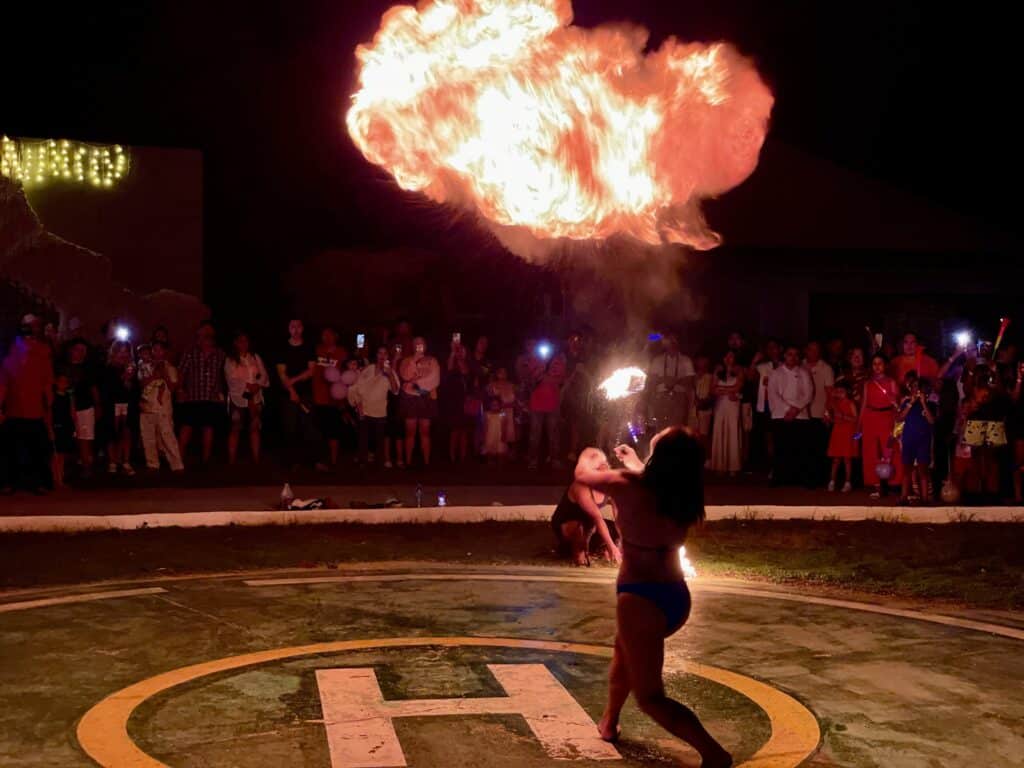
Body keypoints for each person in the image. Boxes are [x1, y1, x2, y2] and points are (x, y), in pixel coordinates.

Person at [574, 428, 731, 768]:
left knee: (650, 698)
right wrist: (634, 462)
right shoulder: (681, 491)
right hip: (675, 595)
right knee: (623, 649)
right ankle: (609, 722)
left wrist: (589, 455)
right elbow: (653, 478)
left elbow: (583, 477)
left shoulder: (626, 484)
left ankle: (714, 753)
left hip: (641, 599)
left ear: (659, 458)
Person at [0, 315, 54, 494]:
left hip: (35, 410)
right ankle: (10, 482)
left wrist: (49, 403)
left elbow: (46, 379)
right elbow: (4, 381)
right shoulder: (11, 352)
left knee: (37, 449)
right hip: (14, 409)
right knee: (11, 450)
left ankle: (38, 482)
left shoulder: (42, 351)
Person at [552, 448, 622, 566]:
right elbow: (597, 518)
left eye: (606, 465)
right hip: (568, 523)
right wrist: (611, 546)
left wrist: (621, 543)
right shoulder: (582, 486)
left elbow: (619, 516)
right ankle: (575, 550)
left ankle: (602, 549)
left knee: (621, 531)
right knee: (580, 530)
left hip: (590, 523)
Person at [276, 319, 323, 471]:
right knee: (290, 428)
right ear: (289, 329)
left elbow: (311, 371)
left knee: (310, 426)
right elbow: (281, 373)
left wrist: (294, 381)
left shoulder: (309, 347)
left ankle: (316, 461)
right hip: (288, 395)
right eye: (292, 326)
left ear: (302, 329)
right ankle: (293, 461)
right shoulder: (282, 347)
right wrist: (292, 391)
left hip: (306, 393)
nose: (295, 329)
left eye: (298, 326)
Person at [178, 321, 227, 465]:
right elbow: (181, 372)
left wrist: (221, 394)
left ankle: (206, 461)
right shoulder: (190, 352)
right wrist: (180, 390)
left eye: (209, 333)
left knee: (208, 429)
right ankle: (178, 461)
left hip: (210, 398)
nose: (207, 335)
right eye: (204, 332)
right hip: (192, 397)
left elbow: (226, 375)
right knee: (186, 428)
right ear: (198, 335)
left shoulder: (220, 354)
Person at [767, 345, 814, 487]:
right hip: (781, 415)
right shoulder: (776, 373)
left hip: (800, 415)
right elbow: (773, 393)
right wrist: (788, 409)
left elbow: (808, 393)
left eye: (795, 355)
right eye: (789, 354)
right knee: (781, 449)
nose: (792, 357)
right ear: (785, 356)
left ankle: (800, 479)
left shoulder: (804, 373)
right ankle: (780, 479)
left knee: (800, 449)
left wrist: (796, 409)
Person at [348, 346, 400, 467]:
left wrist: (390, 375)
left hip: (380, 411)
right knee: (363, 440)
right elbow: (357, 387)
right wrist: (358, 404)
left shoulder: (390, 371)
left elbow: (396, 391)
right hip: (364, 409)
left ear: (388, 356)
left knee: (379, 442)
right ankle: (362, 464)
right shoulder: (368, 369)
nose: (382, 356)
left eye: (385, 353)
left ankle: (379, 468)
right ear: (376, 355)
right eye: (379, 353)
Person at [860, 353, 902, 499]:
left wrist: (897, 422)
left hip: (887, 417)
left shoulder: (891, 382)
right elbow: (864, 403)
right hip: (870, 417)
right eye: (874, 364)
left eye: (880, 363)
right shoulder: (868, 384)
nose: (877, 367)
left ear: (885, 365)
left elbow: (897, 406)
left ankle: (893, 483)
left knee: (889, 449)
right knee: (870, 451)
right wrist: (860, 423)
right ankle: (876, 485)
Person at [138, 340, 185, 472]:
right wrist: (153, 376)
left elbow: (173, 387)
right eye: (154, 349)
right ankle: (152, 464)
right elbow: (141, 383)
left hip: (163, 407)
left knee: (167, 435)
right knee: (148, 436)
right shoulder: (144, 366)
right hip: (146, 406)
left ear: (165, 352)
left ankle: (177, 465)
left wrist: (164, 375)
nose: (157, 352)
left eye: (160, 350)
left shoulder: (170, 367)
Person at [224, 332, 269, 464]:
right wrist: (247, 387)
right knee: (236, 427)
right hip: (239, 398)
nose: (244, 344)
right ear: (235, 343)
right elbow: (232, 378)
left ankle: (256, 459)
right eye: (241, 341)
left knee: (255, 427)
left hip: (255, 397)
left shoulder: (255, 357)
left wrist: (257, 386)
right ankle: (231, 460)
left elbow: (263, 374)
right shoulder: (230, 360)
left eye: (246, 341)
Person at [399, 337, 441, 467]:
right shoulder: (406, 360)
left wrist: (415, 383)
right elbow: (405, 376)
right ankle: (408, 462)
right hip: (410, 399)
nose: (419, 345)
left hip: (426, 398)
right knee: (410, 431)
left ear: (425, 346)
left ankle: (427, 462)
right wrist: (413, 360)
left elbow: (435, 380)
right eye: (416, 343)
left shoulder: (432, 360)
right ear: (412, 346)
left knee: (425, 431)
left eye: (421, 343)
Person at [897, 372, 936, 504]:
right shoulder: (907, 402)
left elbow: (931, 421)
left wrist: (924, 403)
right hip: (909, 440)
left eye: (919, 388)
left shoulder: (931, 404)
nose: (917, 390)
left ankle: (924, 499)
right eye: (914, 387)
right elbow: (900, 418)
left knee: (923, 470)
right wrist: (910, 403)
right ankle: (903, 497)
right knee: (907, 470)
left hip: (923, 441)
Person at [100, 340, 137, 476]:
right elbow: (107, 389)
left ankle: (125, 461)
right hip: (112, 405)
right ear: (114, 352)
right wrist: (123, 378)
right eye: (120, 351)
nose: (123, 354)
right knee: (112, 433)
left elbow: (135, 390)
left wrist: (129, 381)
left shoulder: (132, 369)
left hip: (127, 405)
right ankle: (113, 461)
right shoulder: (108, 368)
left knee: (126, 433)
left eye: (126, 351)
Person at [526, 346, 567, 471]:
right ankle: (533, 460)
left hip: (552, 404)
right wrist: (541, 369)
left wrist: (546, 377)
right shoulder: (534, 361)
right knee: (535, 434)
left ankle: (554, 460)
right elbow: (531, 380)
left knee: (553, 434)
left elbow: (560, 380)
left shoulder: (558, 362)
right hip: (536, 404)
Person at [312, 327, 347, 468]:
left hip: (334, 399)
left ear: (335, 336)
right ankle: (321, 459)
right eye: (323, 335)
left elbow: (346, 374)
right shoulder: (316, 350)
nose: (326, 338)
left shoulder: (342, 353)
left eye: (329, 335)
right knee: (319, 430)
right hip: (317, 397)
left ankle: (333, 461)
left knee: (334, 431)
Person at [646, 333, 695, 433]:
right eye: (668, 342)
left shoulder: (686, 361)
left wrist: (675, 381)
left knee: (677, 429)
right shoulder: (657, 360)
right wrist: (664, 379)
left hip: (679, 398)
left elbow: (690, 380)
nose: (671, 344)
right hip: (661, 397)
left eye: (674, 341)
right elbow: (651, 381)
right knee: (661, 428)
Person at [66, 337, 99, 478]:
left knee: (85, 438)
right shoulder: (64, 367)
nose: (79, 353)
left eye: (82, 351)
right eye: (76, 350)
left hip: (85, 407)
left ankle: (87, 466)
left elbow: (94, 389)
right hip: (66, 408)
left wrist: (98, 405)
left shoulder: (88, 369)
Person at [804, 341, 835, 485]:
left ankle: (821, 478)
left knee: (820, 448)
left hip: (819, 413)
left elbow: (830, 393)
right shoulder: (800, 365)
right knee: (806, 448)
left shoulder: (826, 368)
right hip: (802, 414)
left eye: (816, 350)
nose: (813, 353)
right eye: (811, 349)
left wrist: (827, 412)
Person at [750, 338, 781, 472]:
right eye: (769, 348)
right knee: (769, 436)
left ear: (780, 349)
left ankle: (782, 465)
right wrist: (754, 361)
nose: (771, 350)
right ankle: (772, 466)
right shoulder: (763, 366)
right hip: (767, 406)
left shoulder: (786, 365)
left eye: (774, 347)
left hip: (782, 406)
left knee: (781, 437)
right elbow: (750, 377)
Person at [710, 350, 743, 475]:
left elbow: (738, 387)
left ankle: (733, 466)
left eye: (731, 356)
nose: (729, 358)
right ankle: (720, 465)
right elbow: (712, 390)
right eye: (726, 356)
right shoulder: (718, 371)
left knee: (733, 431)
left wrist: (722, 389)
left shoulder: (739, 371)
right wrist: (729, 390)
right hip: (720, 404)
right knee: (719, 430)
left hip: (733, 405)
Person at [442, 340, 475, 464]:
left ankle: (462, 457)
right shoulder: (451, 364)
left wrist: (460, 357)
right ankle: (452, 456)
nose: (459, 352)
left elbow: (466, 373)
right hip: (453, 402)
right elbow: (449, 368)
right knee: (454, 430)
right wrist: (452, 352)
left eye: (462, 350)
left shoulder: (469, 365)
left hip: (465, 401)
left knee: (464, 430)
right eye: (458, 350)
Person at [562, 332, 593, 461]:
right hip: (564, 393)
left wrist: (584, 372)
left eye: (577, 339)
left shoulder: (584, 357)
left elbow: (591, 378)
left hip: (580, 394)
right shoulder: (563, 357)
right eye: (572, 339)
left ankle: (574, 451)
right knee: (563, 423)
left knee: (577, 423)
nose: (575, 342)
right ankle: (561, 452)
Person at [827, 380, 858, 492]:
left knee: (847, 459)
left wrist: (843, 416)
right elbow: (834, 418)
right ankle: (832, 481)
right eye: (837, 391)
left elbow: (855, 419)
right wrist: (829, 419)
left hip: (848, 433)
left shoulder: (850, 403)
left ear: (847, 392)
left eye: (842, 391)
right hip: (837, 432)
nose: (839, 393)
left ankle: (848, 482)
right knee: (836, 459)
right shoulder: (834, 403)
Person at [50, 369, 76, 489]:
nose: (64, 383)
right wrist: (50, 428)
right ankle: (55, 478)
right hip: (57, 426)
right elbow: (49, 413)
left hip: (66, 426)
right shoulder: (53, 397)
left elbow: (72, 412)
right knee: (56, 455)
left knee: (62, 455)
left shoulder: (68, 396)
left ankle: (60, 477)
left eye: (66, 381)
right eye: (61, 381)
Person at [690, 354, 714, 458]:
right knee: (692, 435)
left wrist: (704, 402)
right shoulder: (692, 376)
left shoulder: (710, 377)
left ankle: (707, 458)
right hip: (692, 410)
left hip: (705, 410)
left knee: (704, 436)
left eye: (704, 362)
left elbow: (712, 394)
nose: (702, 364)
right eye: (700, 361)